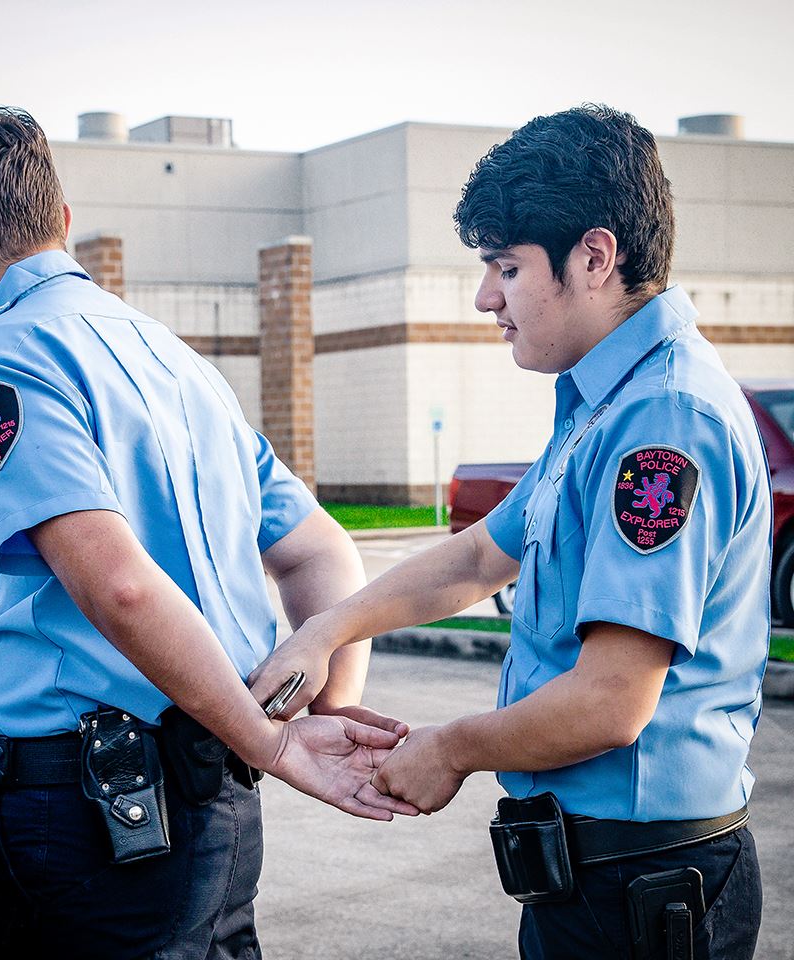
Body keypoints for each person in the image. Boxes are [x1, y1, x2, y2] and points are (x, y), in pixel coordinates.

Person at [249, 105, 770, 960]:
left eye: (506, 266)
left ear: (595, 257)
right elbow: (480, 555)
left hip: (644, 886)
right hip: (604, 880)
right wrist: (326, 628)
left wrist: (450, 749)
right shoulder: (605, 404)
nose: (487, 296)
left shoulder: (662, 421)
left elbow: (612, 701)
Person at [0, 107, 416, 959]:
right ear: (62, 224)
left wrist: (278, 740)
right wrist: (316, 715)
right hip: (214, 798)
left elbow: (120, 586)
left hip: (88, 813)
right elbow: (321, 547)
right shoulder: (180, 363)